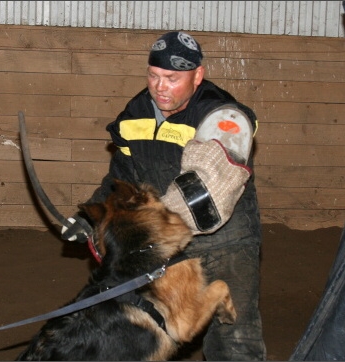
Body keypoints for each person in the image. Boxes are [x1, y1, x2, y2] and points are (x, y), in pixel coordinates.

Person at [62, 31, 266, 361]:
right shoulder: (136, 113)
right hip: (168, 245)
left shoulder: (224, 117)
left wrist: (152, 232)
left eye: (172, 78)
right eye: (154, 76)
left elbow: (207, 192)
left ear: (197, 75)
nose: (160, 87)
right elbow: (120, 180)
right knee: (159, 332)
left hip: (226, 244)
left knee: (235, 338)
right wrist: (91, 217)